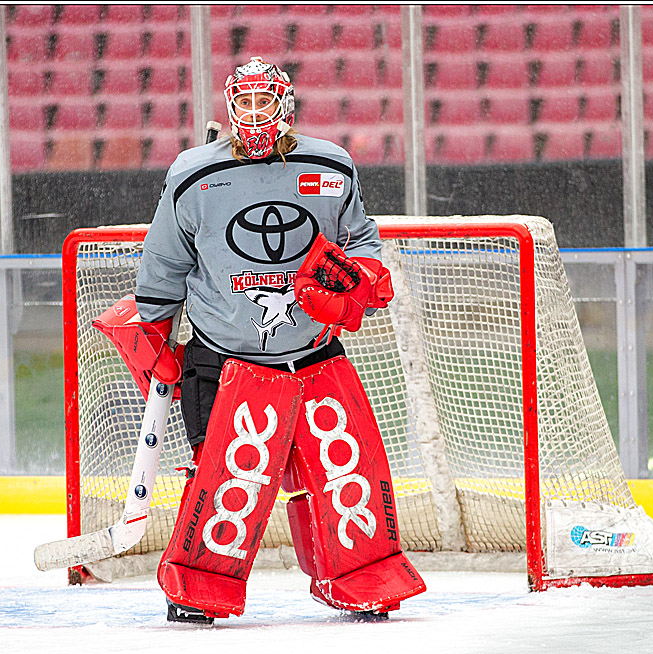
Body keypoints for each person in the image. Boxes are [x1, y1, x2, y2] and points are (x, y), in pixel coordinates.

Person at [118, 57, 426, 624]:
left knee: (345, 469)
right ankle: (198, 587)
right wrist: (155, 329)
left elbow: (359, 237)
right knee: (225, 477)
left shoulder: (330, 166)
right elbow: (164, 261)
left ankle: (360, 577)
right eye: (245, 103)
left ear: (286, 105)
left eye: (265, 103)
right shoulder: (192, 174)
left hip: (313, 354)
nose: (255, 114)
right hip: (222, 358)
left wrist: (361, 275)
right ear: (231, 108)